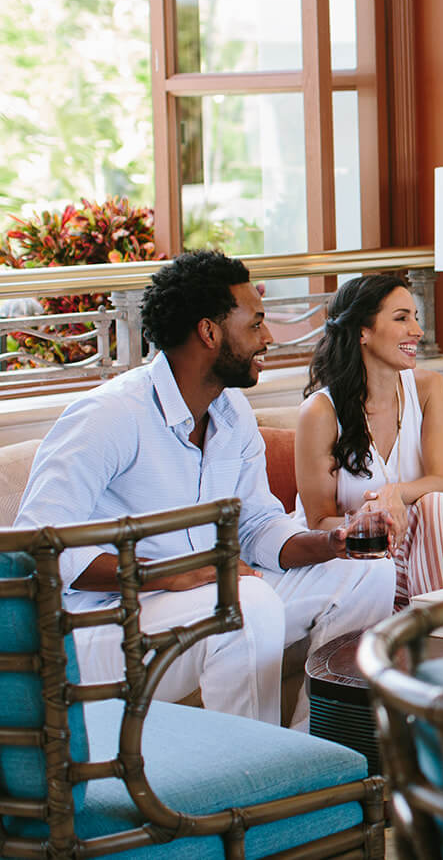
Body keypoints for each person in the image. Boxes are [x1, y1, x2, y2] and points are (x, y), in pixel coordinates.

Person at [15, 251, 394, 728]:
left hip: (198, 605)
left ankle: (318, 748)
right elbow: (35, 550)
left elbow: (256, 526)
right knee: (241, 601)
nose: (269, 338)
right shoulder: (109, 416)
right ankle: (253, 779)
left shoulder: (230, 414)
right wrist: (169, 573)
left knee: (367, 572)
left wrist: (330, 543)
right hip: (100, 629)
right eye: (256, 324)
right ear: (209, 332)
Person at [297, 275, 443, 605]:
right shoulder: (320, 413)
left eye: (415, 318)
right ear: (362, 331)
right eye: (401, 318)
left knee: (436, 506)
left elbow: (442, 483)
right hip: (363, 559)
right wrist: (378, 518)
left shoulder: (427, 388)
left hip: (431, 546)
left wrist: (393, 493)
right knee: (441, 519)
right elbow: (318, 522)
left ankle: (435, 635)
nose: (417, 331)